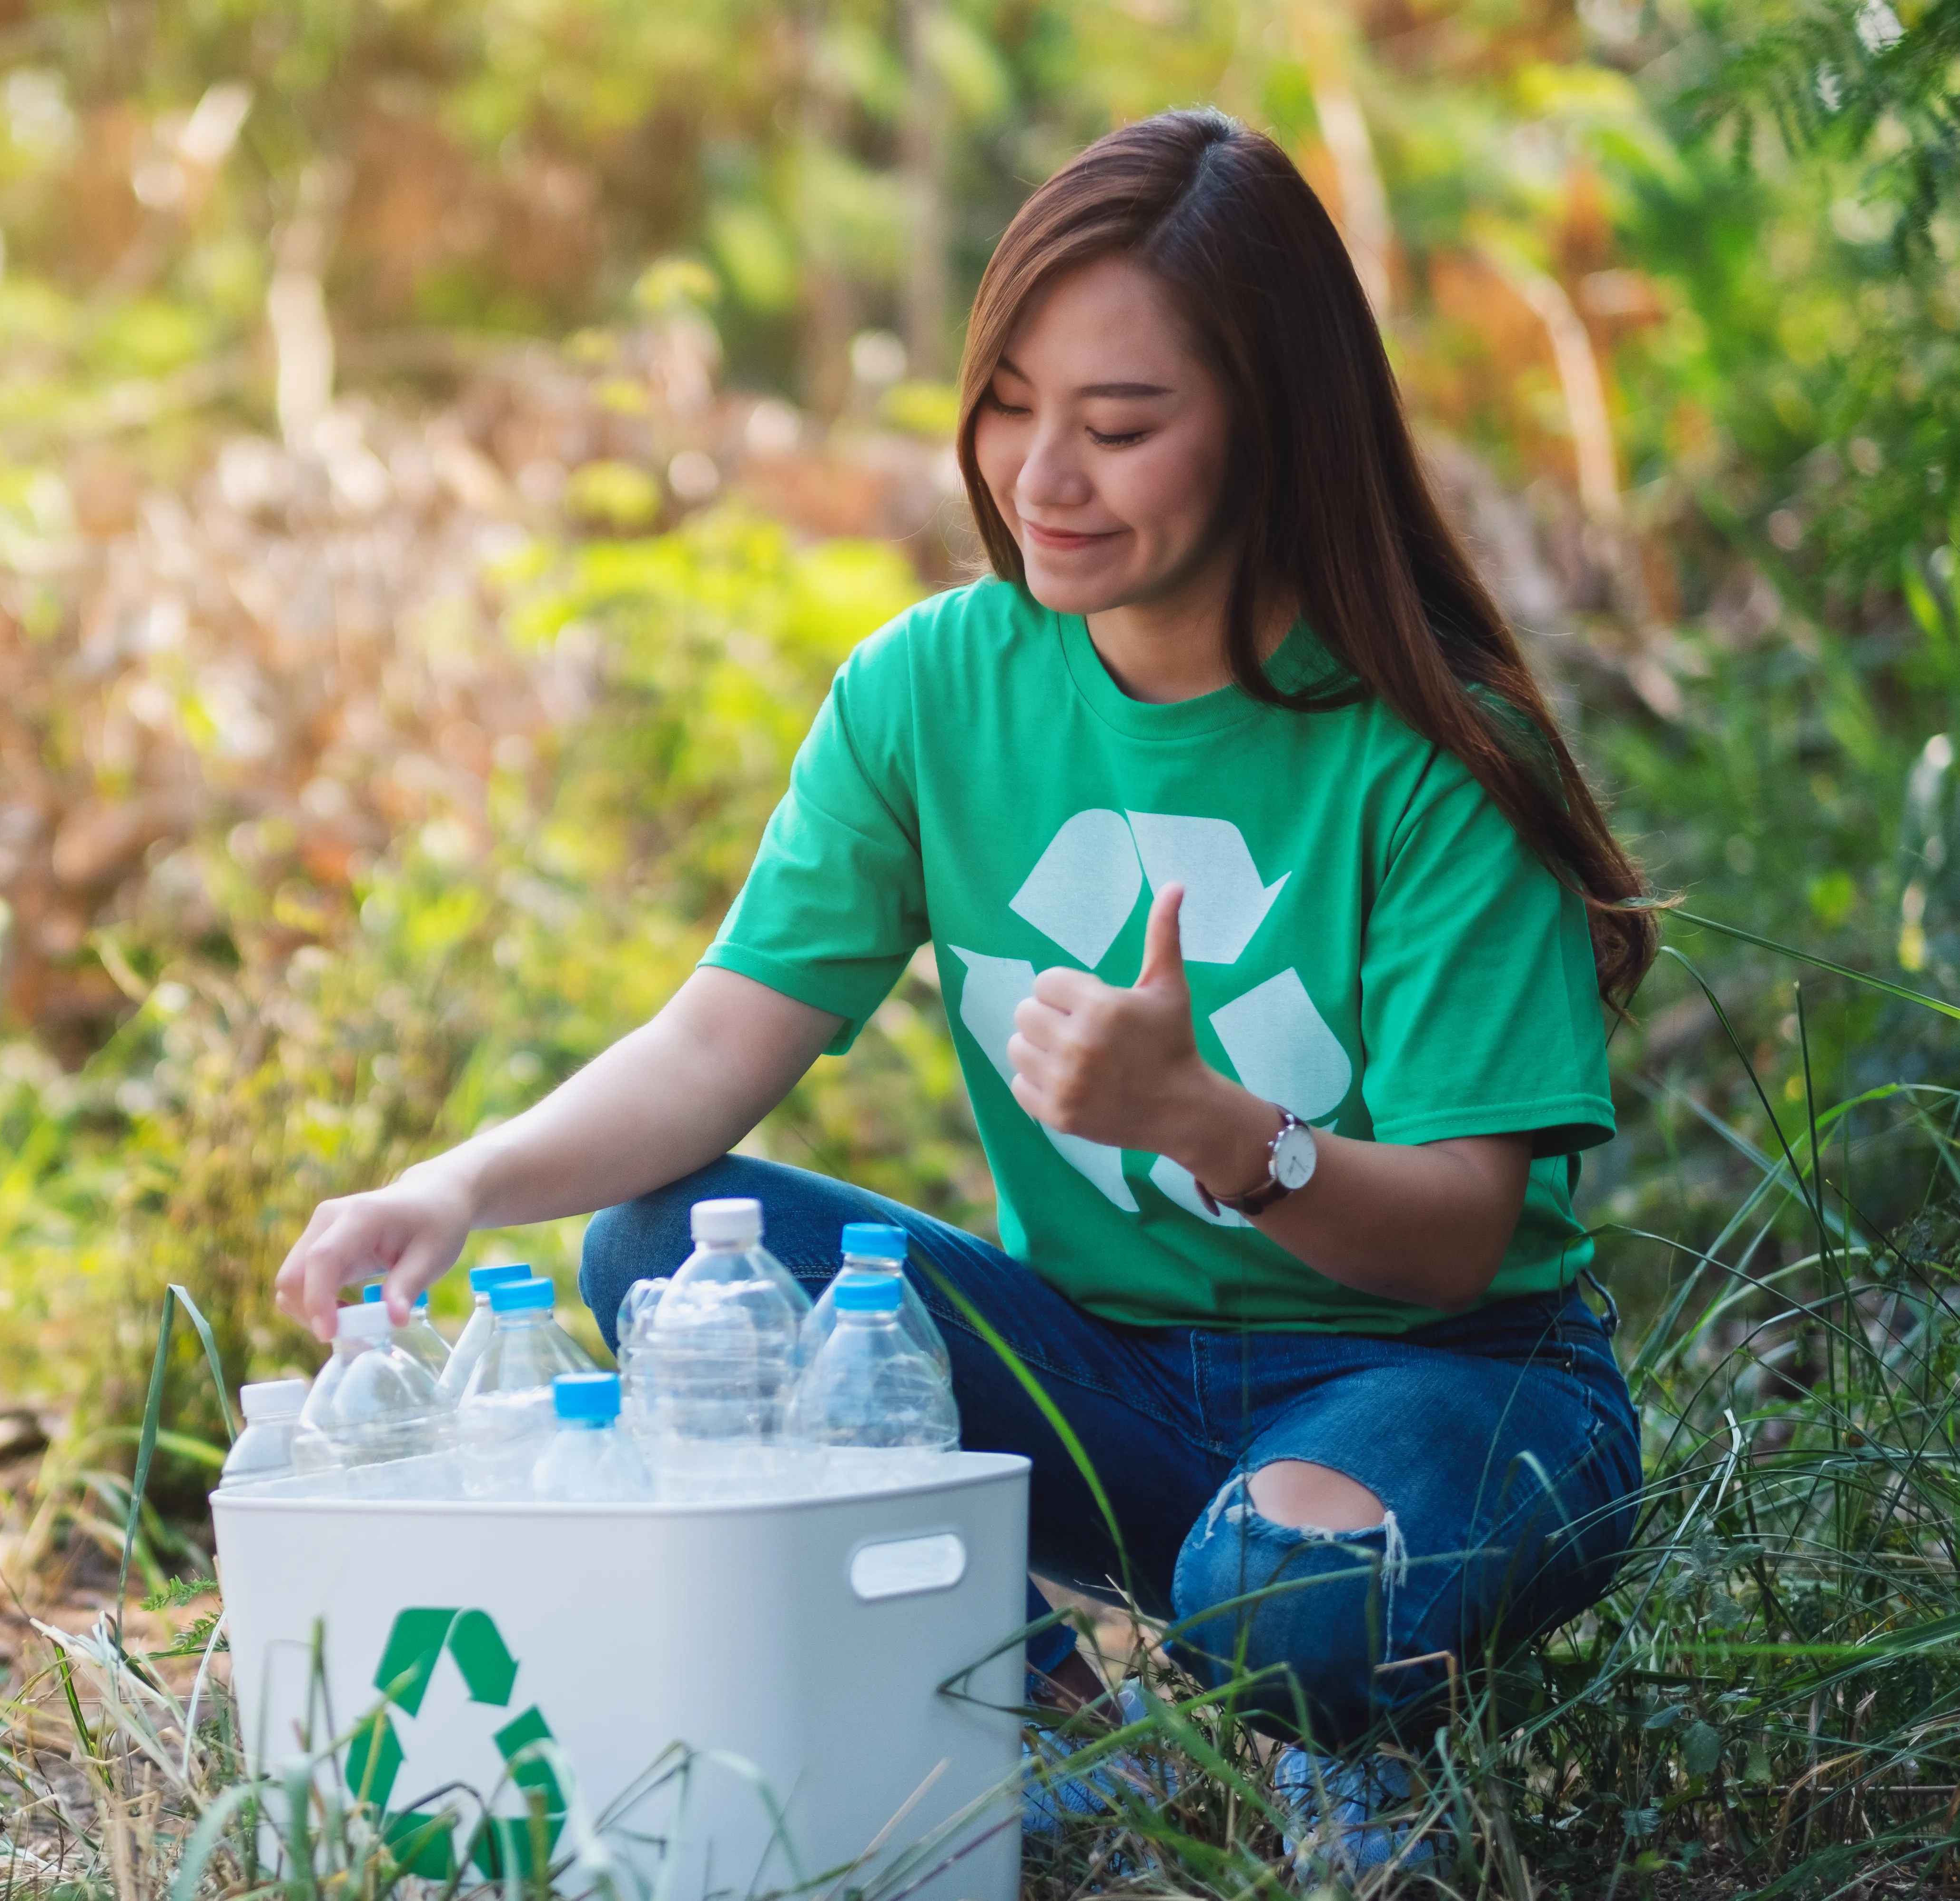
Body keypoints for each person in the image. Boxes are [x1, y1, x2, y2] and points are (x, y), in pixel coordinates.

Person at [272, 107, 1648, 1852]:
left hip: (1457, 1383)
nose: (1039, 477)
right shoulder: (931, 691)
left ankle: (1305, 1727)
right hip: (1122, 1383)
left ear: (1274, 432)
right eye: (1010, 402)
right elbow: (718, 1037)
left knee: (1281, 1576)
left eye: (1121, 425)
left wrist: (1220, 1131)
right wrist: (453, 1183)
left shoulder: (1437, 755)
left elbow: (1460, 1230)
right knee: (668, 1254)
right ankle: (1088, 1733)